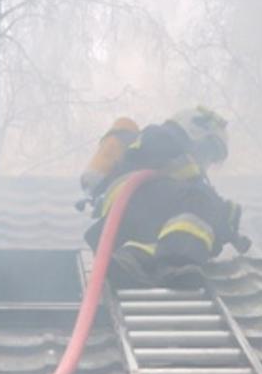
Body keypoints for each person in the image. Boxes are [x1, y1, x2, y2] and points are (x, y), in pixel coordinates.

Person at [78, 106, 247, 289]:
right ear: (194, 133)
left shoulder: (169, 154)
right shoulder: (161, 137)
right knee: (199, 204)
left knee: (168, 234)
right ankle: (175, 264)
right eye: (208, 150)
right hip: (133, 201)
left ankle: (131, 258)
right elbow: (199, 193)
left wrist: (225, 222)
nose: (206, 159)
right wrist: (223, 214)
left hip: (128, 221)